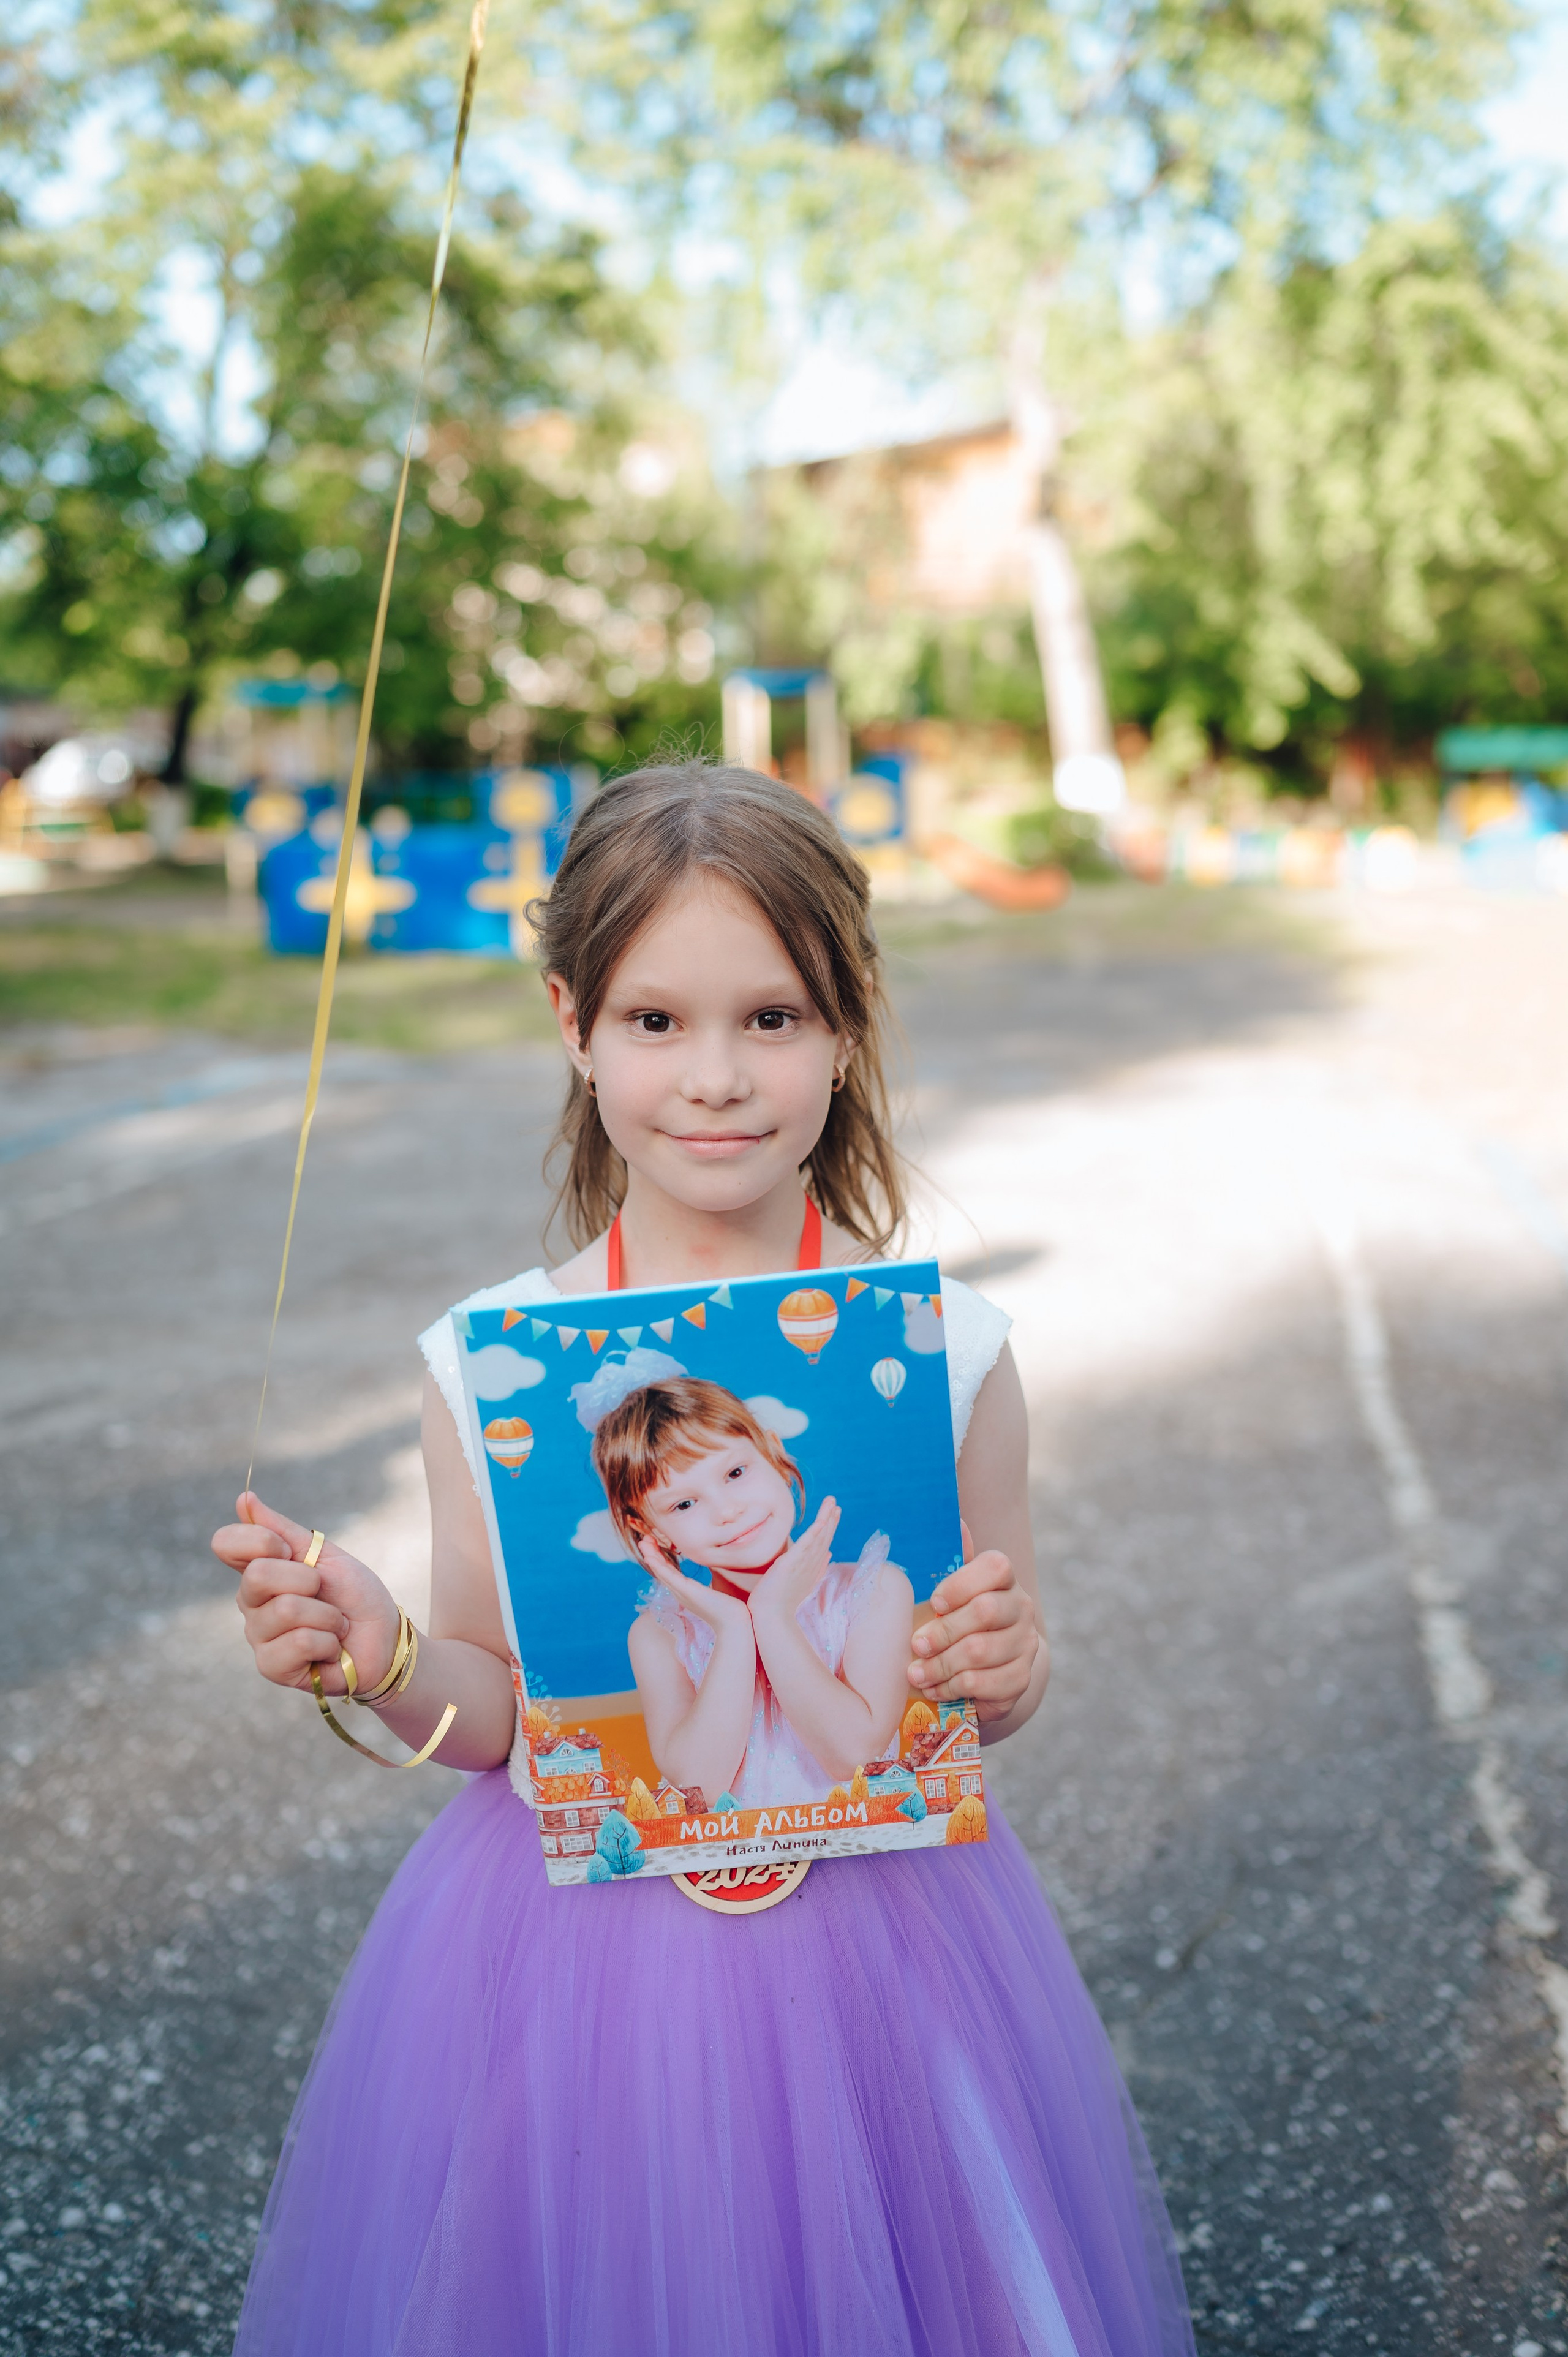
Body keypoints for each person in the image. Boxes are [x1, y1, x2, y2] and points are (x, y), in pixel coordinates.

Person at [214, 761, 1195, 2357]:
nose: (719, 1076)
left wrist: (1005, 1670)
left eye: (774, 1017)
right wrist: (382, 1648)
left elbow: (974, 1691)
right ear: (572, 1025)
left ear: (848, 1023)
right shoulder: (494, 1366)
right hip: (576, 1967)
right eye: (656, 1021)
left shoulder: (947, 1358)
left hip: (890, 1956)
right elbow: (498, 1720)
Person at [585, 1367, 914, 1805]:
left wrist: (774, 1616)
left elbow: (854, 1758)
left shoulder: (873, 1591)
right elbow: (698, 1789)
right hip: (732, 1874)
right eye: (684, 1503)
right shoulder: (660, 1636)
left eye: (736, 1473)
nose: (727, 1510)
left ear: (774, 1455)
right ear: (649, 1528)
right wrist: (734, 1628)